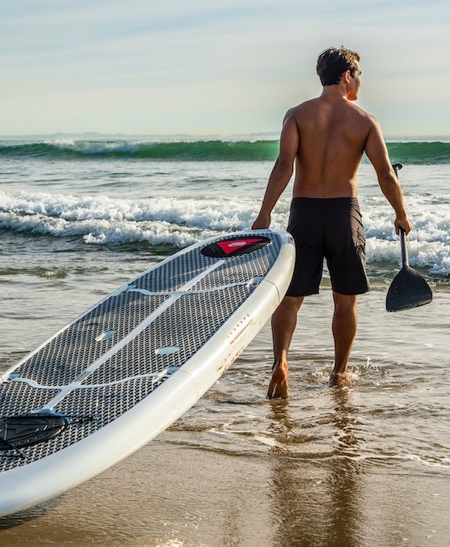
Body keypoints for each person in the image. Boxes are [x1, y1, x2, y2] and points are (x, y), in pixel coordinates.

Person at [252, 47, 413, 398]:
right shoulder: (365, 121)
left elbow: (283, 167)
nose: (360, 82)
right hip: (343, 215)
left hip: (303, 214)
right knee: (345, 301)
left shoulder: (297, 114)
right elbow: (386, 175)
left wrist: (264, 213)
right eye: (358, 76)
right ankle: (339, 373)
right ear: (346, 76)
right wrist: (401, 213)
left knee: (290, 297)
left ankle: (281, 362)